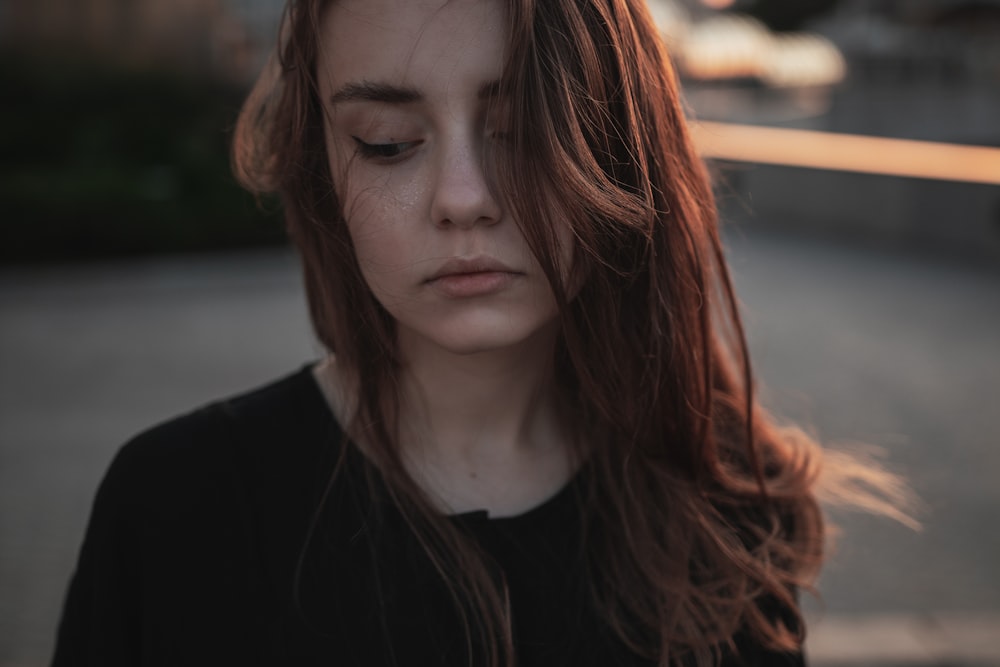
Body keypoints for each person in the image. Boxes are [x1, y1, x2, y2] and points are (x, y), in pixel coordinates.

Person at [52, 0, 910, 665]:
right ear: (324, 172)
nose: (462, 196)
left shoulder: (726, 520)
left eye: (520, 128)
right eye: (387, 144)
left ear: (616, 146)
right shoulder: (175, 513)